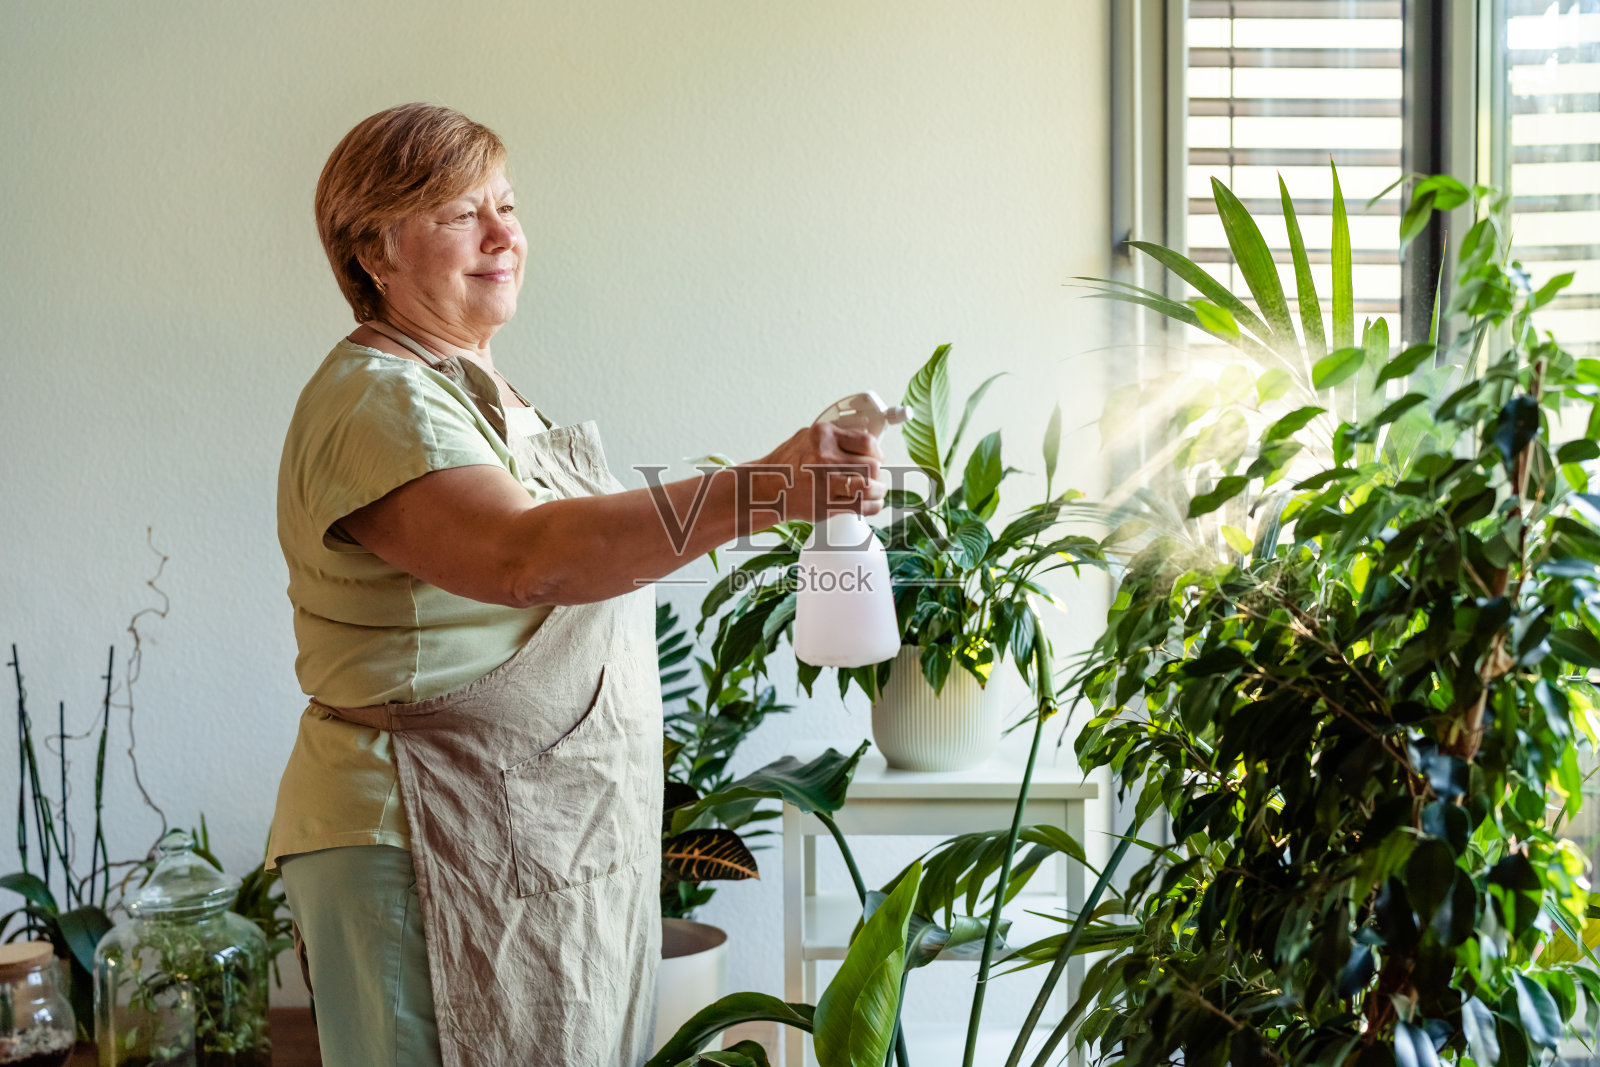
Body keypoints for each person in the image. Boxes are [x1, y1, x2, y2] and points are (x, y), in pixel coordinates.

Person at [268, 102, 885, 1067]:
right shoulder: (375, 396)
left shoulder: (470, 387)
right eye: (459, 213)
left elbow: (579, 551)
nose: (504, 235)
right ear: (373, 249)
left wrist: (781, 476)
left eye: (506, 205)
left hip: (515, 837)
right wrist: (766, 492)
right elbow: (530, 557)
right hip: (423, 836)